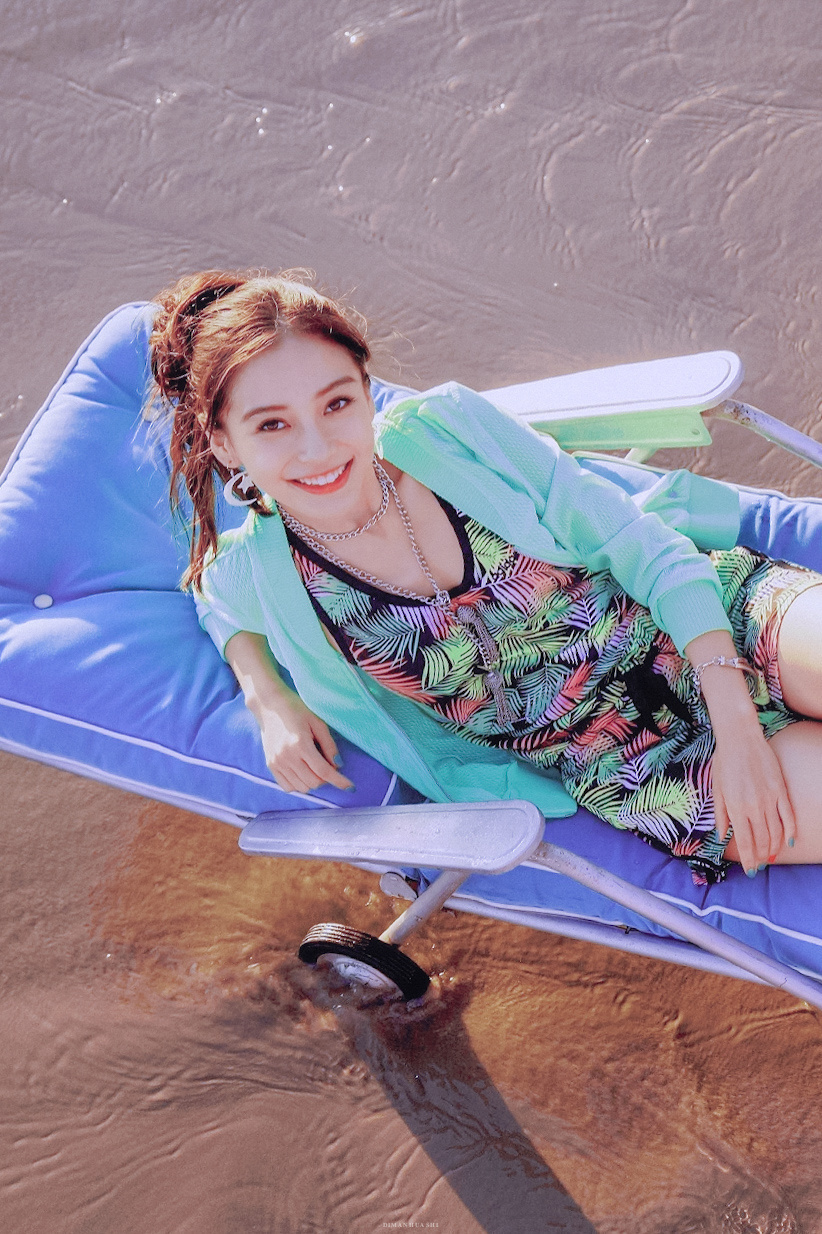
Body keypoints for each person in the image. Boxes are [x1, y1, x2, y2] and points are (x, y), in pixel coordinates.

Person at [150, 269, 822, 886]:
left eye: (336, 403)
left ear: (366, 390)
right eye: (272, 424)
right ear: (224, 443)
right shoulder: (263, 572)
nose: (318, 449)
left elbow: (638, 544)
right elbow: (212, 597)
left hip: (708, 616)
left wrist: (737, 726)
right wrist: (269, 698)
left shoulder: (451, 430)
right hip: (630, 759)